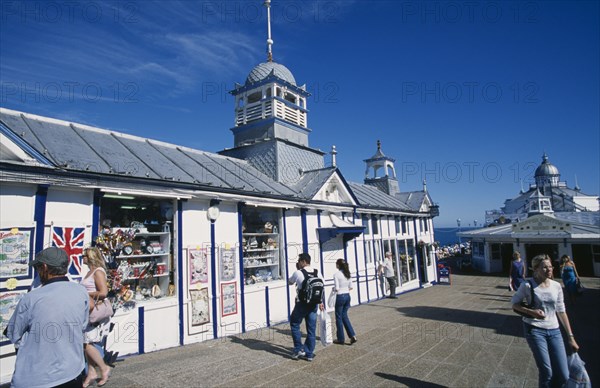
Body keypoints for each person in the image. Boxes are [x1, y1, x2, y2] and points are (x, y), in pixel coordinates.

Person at [6, 247, 89, 388]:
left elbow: (13, 333)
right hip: (72, 372)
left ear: (44, 267)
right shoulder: (81, 292)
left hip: (37, 379)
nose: (38, 271)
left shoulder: (31, 298)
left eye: (38, 267)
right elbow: (82, 325)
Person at [511, 254, 579, 388]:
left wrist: (571, 337)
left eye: (550, 267)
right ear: (535, 269)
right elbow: (514, 304)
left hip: (554, 330)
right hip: (534, 329)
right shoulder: (527, 285)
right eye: (544, 267)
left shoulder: (556, 286)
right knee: (547, 372)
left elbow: (561, 311)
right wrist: (532, 312)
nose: (549, 270)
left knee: (564, 374)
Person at [81, 247, 112, 387]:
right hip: (88, 310)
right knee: (87, 342)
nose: (82, 258)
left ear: (91, 256)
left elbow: (104, 292)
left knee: (86, 343)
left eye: (84, 255)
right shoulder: (90, 272)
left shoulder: (98, 271)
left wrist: (85, 293)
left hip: (96, 310)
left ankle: (103, 368)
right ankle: (92, 372)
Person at [287, 253, 324, 361]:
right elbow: (322, 286)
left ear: (303, 261)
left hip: (302, 304)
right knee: (311, 329)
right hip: (314, 304)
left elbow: (290, 282)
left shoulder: (298, 273)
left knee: (294, 323)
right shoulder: (317, 272)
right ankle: (309, 353)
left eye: (299, 261)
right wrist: (321, 302)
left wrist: (297, 270)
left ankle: (298, 349)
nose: (298, 263)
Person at [332, 259, 357, 345]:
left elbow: (337, 288)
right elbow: (351, 287)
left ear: (338, 265)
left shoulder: (336, 274)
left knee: (338, 317)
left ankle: (340, 338)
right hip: (347, 296)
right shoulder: (348, 274)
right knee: (344, 316)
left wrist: (333, 290)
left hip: (340, 296)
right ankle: (352, 335)